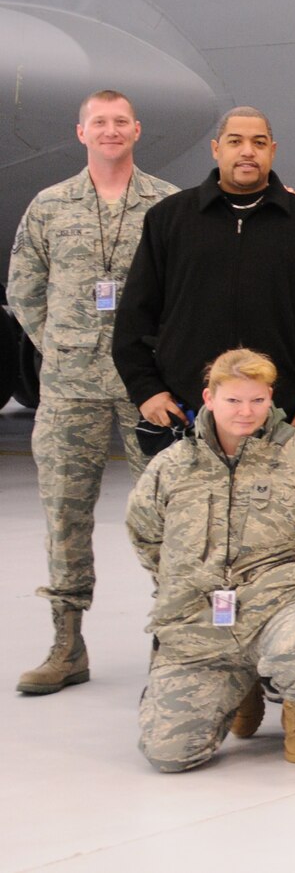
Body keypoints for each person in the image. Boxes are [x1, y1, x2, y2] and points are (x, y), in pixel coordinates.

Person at [127, 349, 295, 772]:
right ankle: (242, 686)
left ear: (271, 398)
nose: (246, 412)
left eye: (257, 401)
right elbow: (146, 535)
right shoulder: (173, 466)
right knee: (168, 754)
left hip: (281, 605)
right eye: (233, 401)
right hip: (199, 623)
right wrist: (183, 583)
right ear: (208, 398)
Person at [12, 90, 178, 697]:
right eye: (98, 123)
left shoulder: (166, 205)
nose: (109, 131)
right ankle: (67, 641)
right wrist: (62, 344)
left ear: (136, 129)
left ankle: (174, 635)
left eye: (119, 122)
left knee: (165, 512)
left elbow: (186, 287)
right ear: (80, 131)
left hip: (148, 388)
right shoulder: (50, 206)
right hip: (68, 390)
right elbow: (25, 287)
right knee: (64, 512)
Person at [114, 107, 295, 432]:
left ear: (272, 150)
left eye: (258, 142)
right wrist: (147, 391)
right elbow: (133, 317)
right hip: (187, 414)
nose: (247, 152)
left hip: (282, 415)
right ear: (216, 149)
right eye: (235, 141)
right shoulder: (169, 220)